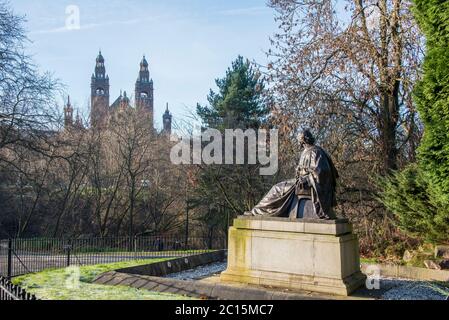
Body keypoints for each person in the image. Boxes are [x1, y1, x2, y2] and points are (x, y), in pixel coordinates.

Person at [247, 129, 339, 220]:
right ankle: (259, 210)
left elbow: (322, 172)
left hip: (309, 184)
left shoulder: (316, 151)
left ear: (302, 140)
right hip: (301, 182)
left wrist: (306, 179)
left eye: (299, 140)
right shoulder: (306, 151)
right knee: (278, 188)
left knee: (277, 188)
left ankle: (257, 211)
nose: (298, 142)